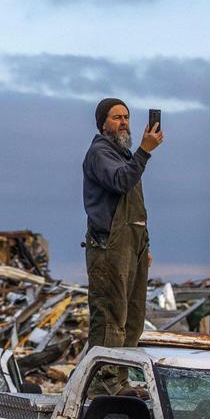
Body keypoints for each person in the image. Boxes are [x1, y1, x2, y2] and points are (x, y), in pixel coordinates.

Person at [82, 97, 164, 348]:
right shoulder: (100, 153)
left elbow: (137, 210)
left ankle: (120, 379)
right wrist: (144, 151)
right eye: (117, 118)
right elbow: (120, 181)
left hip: (130, 250)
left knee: (132, 319)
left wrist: (143, 248)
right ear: (103, 125)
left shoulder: (123, 155)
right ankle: (104, 383)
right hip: (108, 250)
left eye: (126, 117)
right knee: (110, 317)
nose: (124, 123)